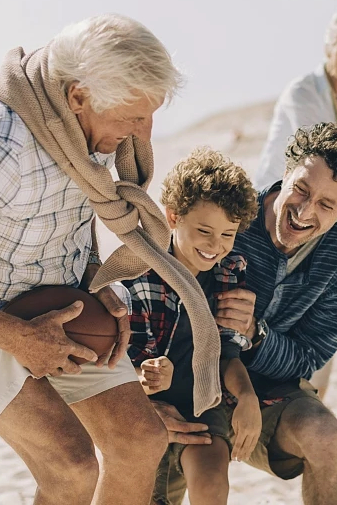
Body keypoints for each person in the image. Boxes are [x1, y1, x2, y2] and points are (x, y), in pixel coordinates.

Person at [0, 14, 220, 505]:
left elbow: (69, 218)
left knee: (141, 440)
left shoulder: (87, 121)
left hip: (37, 289)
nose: (144, 132)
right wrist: (18, 338)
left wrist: (95, 286)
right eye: (132, 117)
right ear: (77, 95)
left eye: (150, 114)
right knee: (72, 466)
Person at [158, 123, 337, 505]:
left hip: (270, 393)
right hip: (186, 383)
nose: (304, 211)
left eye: (327, 205)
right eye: (301, 189)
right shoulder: (227, 220)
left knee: (325, 435)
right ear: (286, 172)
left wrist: (256, 334)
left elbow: (310, 357)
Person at [253, 5, 337, 399]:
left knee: (319, 308)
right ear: (329, 48)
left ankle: (308, 400)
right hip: (279, 207)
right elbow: (323, 161)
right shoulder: (303, 92)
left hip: (319, 211)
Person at [124, 148, 261, 505]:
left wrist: (247, 397)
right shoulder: (141, 275)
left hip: (203, 404)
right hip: (141, 412)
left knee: (213, 483)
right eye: (204, 230)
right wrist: (148, 375)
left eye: (228, 235)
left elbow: (227, 353)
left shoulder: (230, 271)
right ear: (173, 217)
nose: (216, 246)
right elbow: (126, 363)